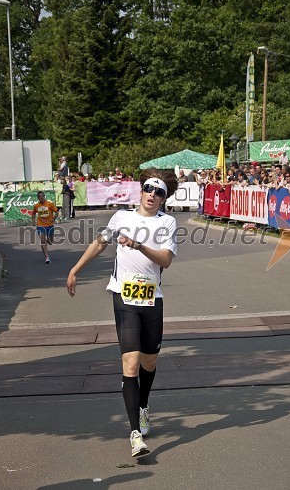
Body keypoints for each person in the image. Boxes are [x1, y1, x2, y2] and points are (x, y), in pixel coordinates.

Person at [66, 168, 178, 457]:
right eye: (149, 190)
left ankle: (143, 406)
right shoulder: (121, 218)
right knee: (130, 364)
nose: (153, 195)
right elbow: (100, 244)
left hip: (152, 299)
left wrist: (139, 245)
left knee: (149, 363)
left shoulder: (167, 223)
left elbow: (165, 260)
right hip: (124, 296)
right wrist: (75, 270)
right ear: (140, 192)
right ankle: (135, 434)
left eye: (159, 192)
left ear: (164, 199)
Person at [32, 191, 59, 264]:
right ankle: (47, 257)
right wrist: (33, 221)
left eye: (42, 196)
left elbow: (57, 212)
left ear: (44, 196)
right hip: (40, 226)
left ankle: (45, 243)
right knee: (43, 240)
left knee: (50, 242)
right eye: (40, 197)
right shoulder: (36, 206)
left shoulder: (49, 204)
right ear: (38, 198)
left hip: (50, 225)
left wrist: (54, 218)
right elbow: (33, 213)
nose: (41, 198)